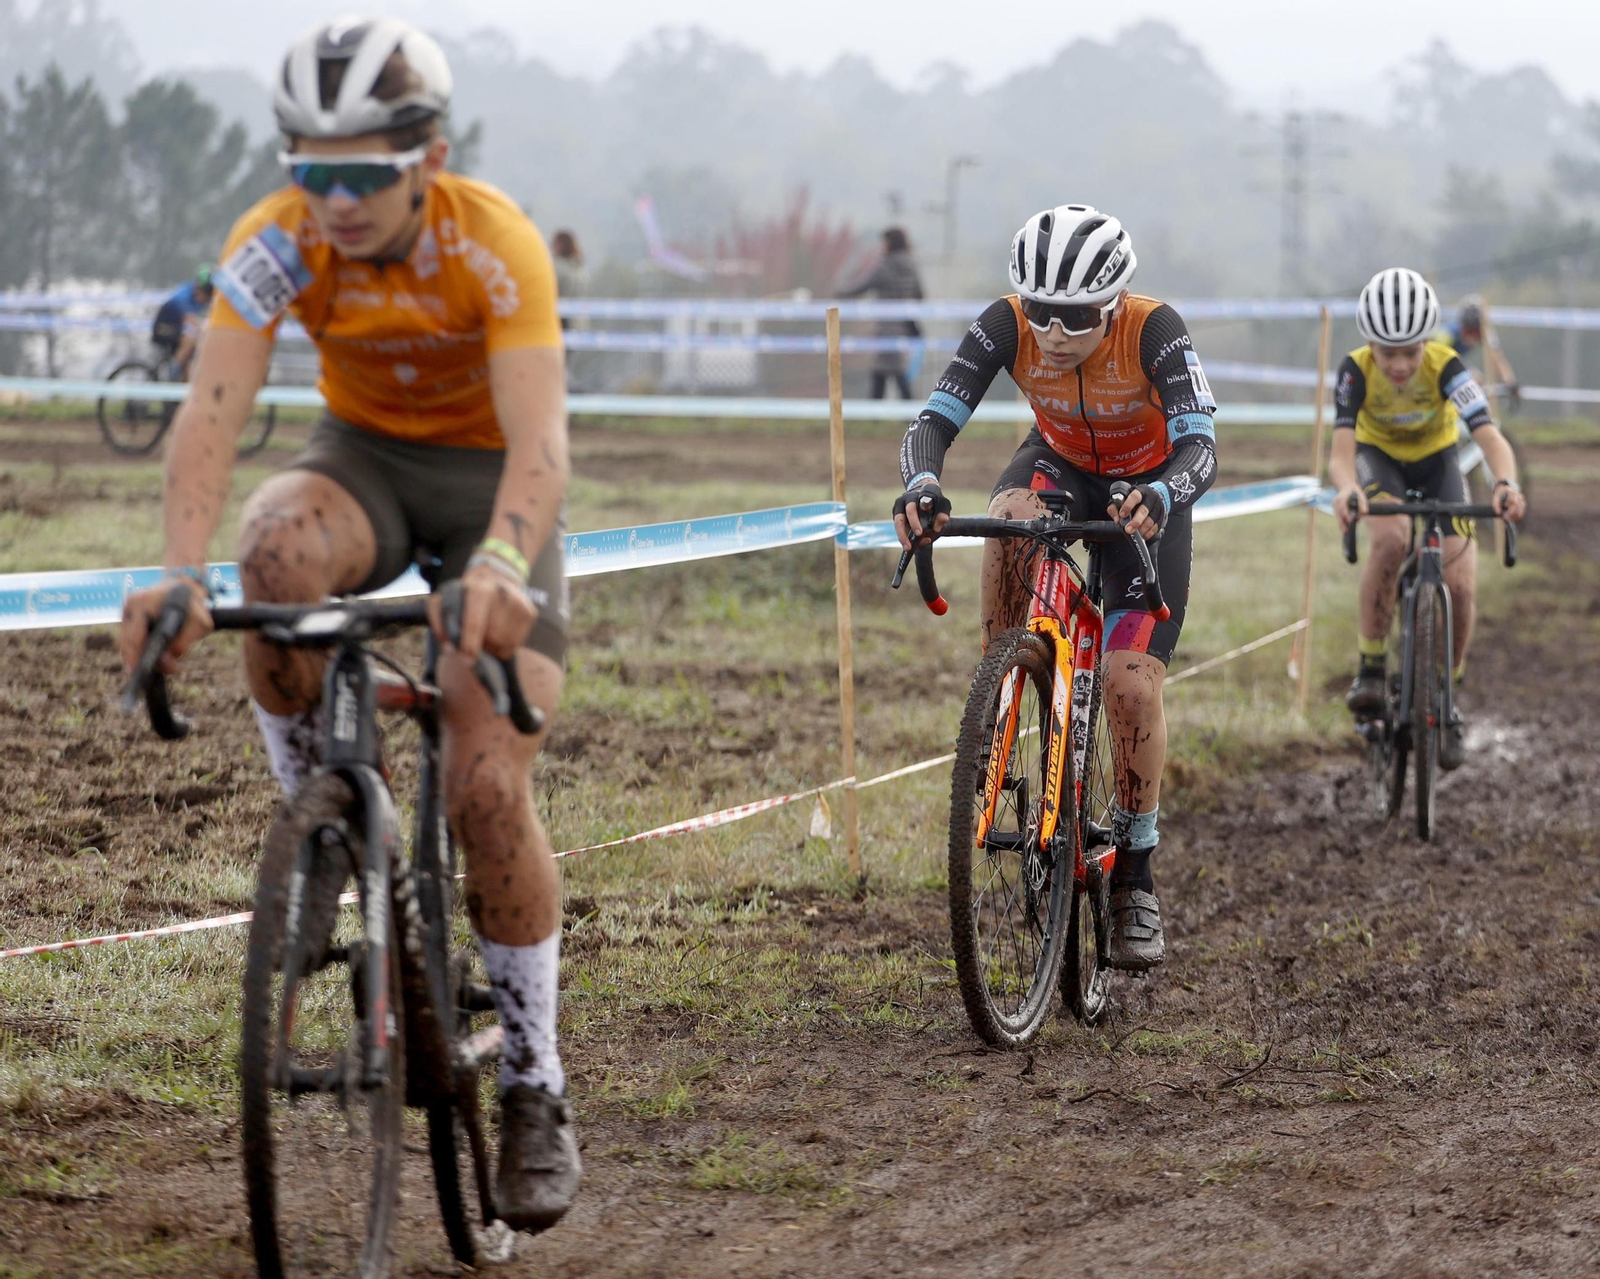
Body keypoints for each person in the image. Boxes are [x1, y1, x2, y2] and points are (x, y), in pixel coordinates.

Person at [116, 16, 580, 1232]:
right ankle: (319, 822)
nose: (332, 198)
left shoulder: (494, 245)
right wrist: (175, 574)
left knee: (484, 789)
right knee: (269, 556)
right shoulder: (274, 244)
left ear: (425, 158)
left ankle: (535, 1082)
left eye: (361, 173)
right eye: (306, 169)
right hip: (361, 462)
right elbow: (212, 411)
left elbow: (543, 440)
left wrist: (497, 560)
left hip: (489, 485)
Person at [891, 204, 1219, 971]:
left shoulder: (1155, 328)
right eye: (1041, 312)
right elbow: (932, 421)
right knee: (1007, 517)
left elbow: (1202, 446)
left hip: (1148, 488)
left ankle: (1136, 871)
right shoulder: (1004, 322)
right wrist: (923, 482)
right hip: (1061, 463)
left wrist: (1166, 494)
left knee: (1129, 686)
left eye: (1075, 317)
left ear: (1112, 303)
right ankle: (999, 696)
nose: (1054, 331)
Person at [1331, 268, 1527, 769]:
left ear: (1426, 343)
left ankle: (1448, 695)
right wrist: (1348, 489)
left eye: (1409, 353)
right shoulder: (1354, 370)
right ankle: (1372, 667)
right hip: (1380, 461)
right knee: (1392, 536)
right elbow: (1341, 453)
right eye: (1387, 353)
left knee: (1461, 583)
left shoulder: (1448, 365)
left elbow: (1487, 436)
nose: (1398, 365)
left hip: (1438, 460)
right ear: (1370, 344)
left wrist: (1506, 483)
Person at [838, 227, 925, 399]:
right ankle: (885, 415)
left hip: (887, 326)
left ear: (890, 243)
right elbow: (920, 295)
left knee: (890, 371)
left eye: (884, 242)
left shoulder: (884, 267)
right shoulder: (911, 266)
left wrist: (840, 292)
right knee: (888, 371)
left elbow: (861, 286)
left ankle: (882, 415)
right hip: (905, 325)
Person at [1442, 295, 1519, 407]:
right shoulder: (1448, 333)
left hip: (1457, 360)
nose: (1472, 335)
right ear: (1462, 325)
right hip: (1445, 361)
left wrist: (1510, 383)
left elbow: (1497, 359)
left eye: (1476, 330)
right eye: (1469, 330)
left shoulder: (1485, 333)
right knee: (1475, 378)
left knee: (1479, 381)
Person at [150, 266, 215, 378]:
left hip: (177, 328)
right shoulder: (183, 295)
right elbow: (190, 319)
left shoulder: (200, 297)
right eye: (206, 294)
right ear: (199, 288)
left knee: (190, 356)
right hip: (163, 329)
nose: (207, 299)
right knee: (190, 340)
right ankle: (173, 375)